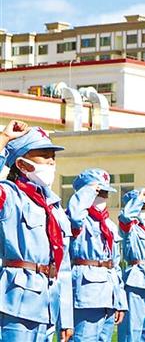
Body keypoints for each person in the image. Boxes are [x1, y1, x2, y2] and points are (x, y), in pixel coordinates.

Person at [0, 122, 74, 342]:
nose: (51, 161)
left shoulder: (53, 206)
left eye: (53, 156)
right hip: (16, 301)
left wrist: (66, 317)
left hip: (48, 302)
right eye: (43, 155)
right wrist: (4, 138)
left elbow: (63, 267)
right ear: (22, 164)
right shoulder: (10, 196)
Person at [66, 168, 128, 341]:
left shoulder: (109, 225)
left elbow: (115, 265)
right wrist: (87, 192)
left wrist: (120, 301)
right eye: (99, 192)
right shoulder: (77, 219)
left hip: (109, 294)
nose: (103, 197)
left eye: (105, 193)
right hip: (87, 294)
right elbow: (75, 216)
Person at [118, 188, 145, 342]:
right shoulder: (130, 228)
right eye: (143, 207)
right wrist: (138, 200)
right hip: (135, 280)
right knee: (132, 328)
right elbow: (125, 216)